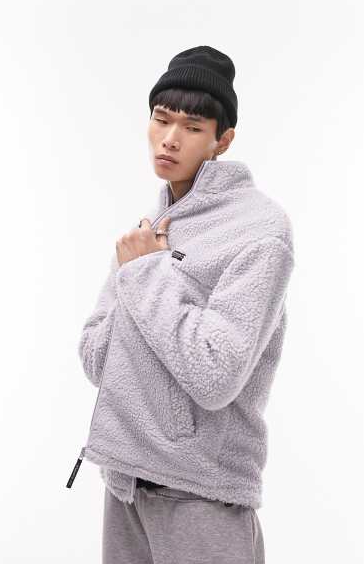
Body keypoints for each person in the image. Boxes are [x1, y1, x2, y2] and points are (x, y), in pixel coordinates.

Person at [72, 45, 295, 563]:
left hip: (202, 492)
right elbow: (97, 360)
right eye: (161, 119)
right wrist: (143, 269)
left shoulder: (260, 231)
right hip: (125, 484)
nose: (170, 138)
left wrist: (147, 272)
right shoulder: (151, 227)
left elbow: (216, 374)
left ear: (223, 140)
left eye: (192, 127)